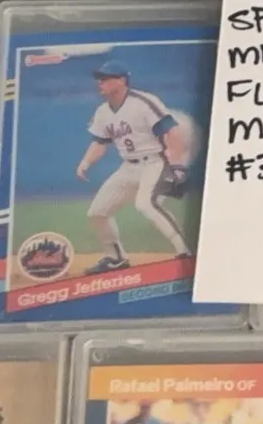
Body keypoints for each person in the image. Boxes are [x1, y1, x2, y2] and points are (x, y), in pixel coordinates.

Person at [74, 60, 192, 272]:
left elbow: (172, 132)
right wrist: (86, 162)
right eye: (99, 79)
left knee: (146, 204)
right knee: (97, 212)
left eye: (105, 78)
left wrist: (177, 165)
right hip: (128, 167)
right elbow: (100, 142)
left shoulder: (143, 102)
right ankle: (116, 258)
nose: (100, 82)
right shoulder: (103, 111)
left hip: (154, 162)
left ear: (121, 80)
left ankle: (186, 251)